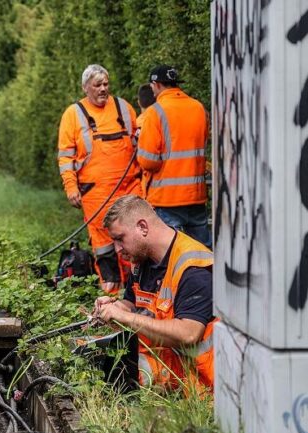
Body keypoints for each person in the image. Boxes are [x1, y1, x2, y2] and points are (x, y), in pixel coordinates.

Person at [94, 195, 216, 391]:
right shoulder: (141, 261)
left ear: (142, 227)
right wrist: (117, 306)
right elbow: (133, 303)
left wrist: (124, 317)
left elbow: (189, 334)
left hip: (201, 393)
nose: (117, 249)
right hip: (166, 385)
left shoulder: (193, 269)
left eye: (119, 239)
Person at [57, 64, 142, 293]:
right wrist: (70, 186)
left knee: (135, 243)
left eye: (106, 84)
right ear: (86, 88)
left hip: (130, 189)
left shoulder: (123, 108)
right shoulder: (73, 114)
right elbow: (65, 156)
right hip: (95, 193)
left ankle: (138, 294)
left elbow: (141, 145)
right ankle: (112, 300)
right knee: (104, 248)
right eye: (98, 85)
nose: (103, 89)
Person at [137, 65, 211, 248]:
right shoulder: (198, 108)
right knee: (203, 250)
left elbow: (148, 161)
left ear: (156, 84)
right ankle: (207, 277)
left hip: (167, 198)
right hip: (196, 195)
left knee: (171, 252)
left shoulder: (155, 113)